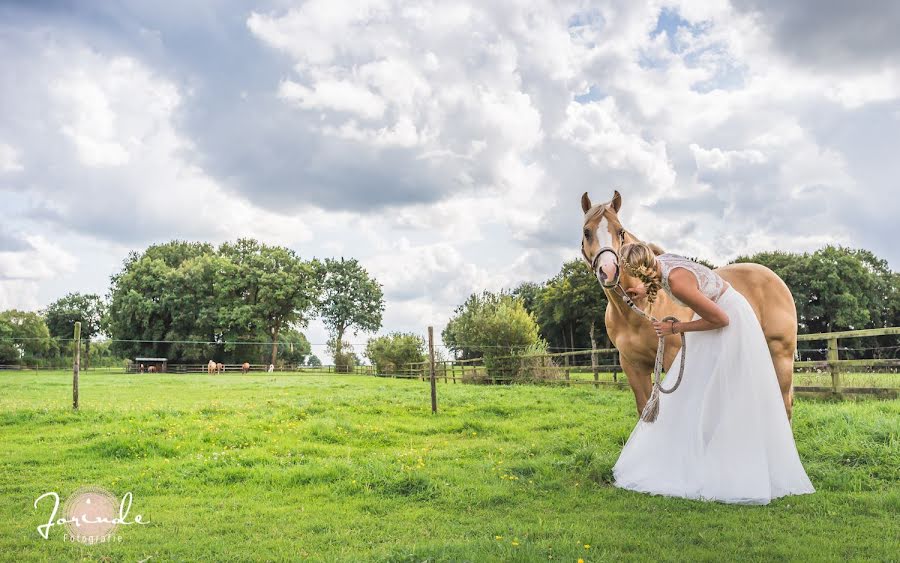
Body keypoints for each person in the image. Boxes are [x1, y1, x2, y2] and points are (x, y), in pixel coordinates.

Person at [611, 242, 815, 505]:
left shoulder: (676, 281)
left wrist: (677, 328)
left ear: (641, 270)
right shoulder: (665, 261)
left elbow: (721, 319)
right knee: (698, 388)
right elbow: (659, 283)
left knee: (713, 390)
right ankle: (703, 453)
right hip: (717, 316)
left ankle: (723, 461)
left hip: (728, 322)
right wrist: (641, 290)